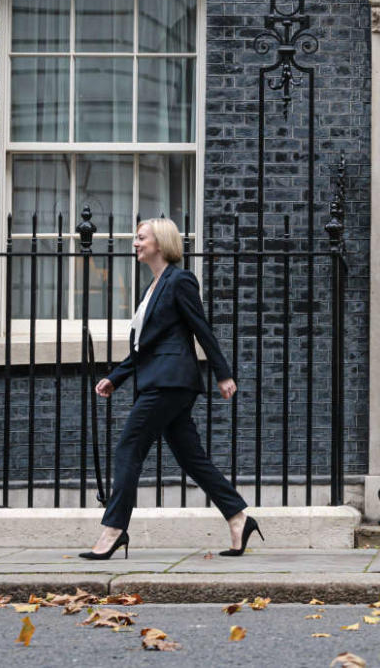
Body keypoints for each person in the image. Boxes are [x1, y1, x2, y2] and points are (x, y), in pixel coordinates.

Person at [80, 218, 261, 560]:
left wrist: (223, 373)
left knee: (128, 448)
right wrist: (116, 377)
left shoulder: (180, 281)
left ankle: (114, 529)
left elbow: (201, 328)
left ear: (160, 243)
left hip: (169, 382)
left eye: (141, 237)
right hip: (162, 380)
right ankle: (238, 516)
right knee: (191, 457)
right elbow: (145, 347)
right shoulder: (152, 287)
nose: (135, 243)